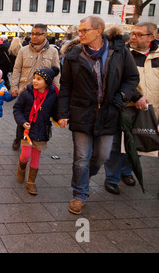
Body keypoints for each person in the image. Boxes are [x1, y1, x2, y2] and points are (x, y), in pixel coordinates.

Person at [57, 16, 139, 215]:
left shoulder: (119, 52)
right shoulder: (73, 55)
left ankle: (84, 176)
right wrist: (62, 113)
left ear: (99, 30)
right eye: (80, 30)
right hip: (81, 113)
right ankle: (79, 194)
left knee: (102, 155)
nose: (81, 34)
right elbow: (66, 86)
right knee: (81, 158)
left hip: (109, 113)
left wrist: (122, 95)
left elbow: (132, 78)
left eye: (85, 30)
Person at [104, 22, 159, 194]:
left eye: (139, 34)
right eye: (132, 33)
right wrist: (135, 96)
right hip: (127, 106)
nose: (133, 37)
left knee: (140, 141)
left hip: (151, 109)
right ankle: (111, 177)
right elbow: (118, 79)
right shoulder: (124, 54)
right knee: (117, 145)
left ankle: (126, 171)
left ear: (152, 37)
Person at [10, 24, 61, 151]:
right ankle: (20, 137)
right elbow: (17, 69)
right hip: (25, 90)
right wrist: (13, 86)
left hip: (44, 92)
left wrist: (56, 91)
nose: (34, 36)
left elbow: (57, 72)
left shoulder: (53, 51)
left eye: (38, 34)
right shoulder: (23, 50)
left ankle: (37, 139)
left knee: (39, 116)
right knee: (22, 115)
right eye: (32, 33)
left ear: (45, 35)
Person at [13, 67, 60, 195]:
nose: (35, 81)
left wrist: (60, 119)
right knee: (26, 155)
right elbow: (17, 109)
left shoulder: (52, 96)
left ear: (47, 82)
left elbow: (55, 110)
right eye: (34, 78)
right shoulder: (26, 94)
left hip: (41, 131)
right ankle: (21, 166)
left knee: (36, 156)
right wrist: (22, 121)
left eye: (39, 79)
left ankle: (31, 182)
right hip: (26, 131)